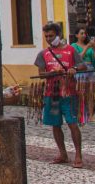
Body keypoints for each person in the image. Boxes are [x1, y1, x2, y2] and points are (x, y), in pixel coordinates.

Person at [35, 22, 88, 168]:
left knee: (72, 124)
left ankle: (78, 155)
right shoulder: (43, 54)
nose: (49, 39)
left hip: (69, 93)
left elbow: (82, 65)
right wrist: (52, 73)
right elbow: (41, 74)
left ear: (58, 35)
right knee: (55, 124)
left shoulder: (70, 50)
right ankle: (62, 153)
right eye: (46, 36)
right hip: (51, 94)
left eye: (51, 36)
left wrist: (73, 68)